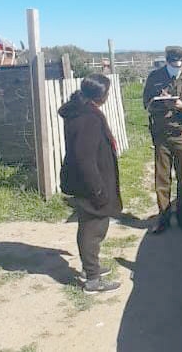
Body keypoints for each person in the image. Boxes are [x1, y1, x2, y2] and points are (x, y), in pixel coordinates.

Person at [59, 73, 123, 294]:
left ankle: (90, 267)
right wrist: (98, 190)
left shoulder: (82, 111)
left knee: (90, 225)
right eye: (107, 92)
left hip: (85, 180)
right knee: (93, 228)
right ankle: (93, 280)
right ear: (100, 95)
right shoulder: (88, 118)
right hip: (90, 183)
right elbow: (85, 158)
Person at [143, 45, 182, 234]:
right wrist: (160, 101)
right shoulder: (155, 77)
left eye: (179, 62)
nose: (177, 65)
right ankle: (163, 218)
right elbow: (146, 103)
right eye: (173, 62)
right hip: (162, 135)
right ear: (167, 60)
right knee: (162, 179)